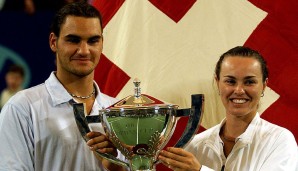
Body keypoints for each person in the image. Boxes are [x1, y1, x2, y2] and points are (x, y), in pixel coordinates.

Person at [0, 2, 125, 171]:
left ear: (102, 43)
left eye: (93, 40)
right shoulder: (22, 108)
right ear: (53, 42)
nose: (84, 50)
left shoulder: (120, 111)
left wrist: (117, 168)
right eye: (73, 40)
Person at [158, 46, 298, 171]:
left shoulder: (279, 141)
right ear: (217, 82)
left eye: (249, 82)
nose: (239, 90)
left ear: (264, 85)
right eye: (230, 81)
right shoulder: (195, 145)